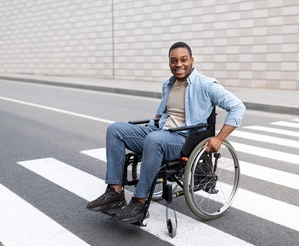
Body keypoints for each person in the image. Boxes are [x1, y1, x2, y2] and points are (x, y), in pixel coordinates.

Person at [87, 41, 246, 223]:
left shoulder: (207, 85)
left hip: (184, 140)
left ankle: (139, 203)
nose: (178, 64)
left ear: (192, 60)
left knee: (154, 140)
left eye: (183, 60)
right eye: (173, 61)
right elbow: (162, 113)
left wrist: (219, 138)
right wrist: (151, 126)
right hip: (159, 132)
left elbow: (238, 107)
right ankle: (114, 192)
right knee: (115, 129)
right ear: (169, 63)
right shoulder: (168, 84)